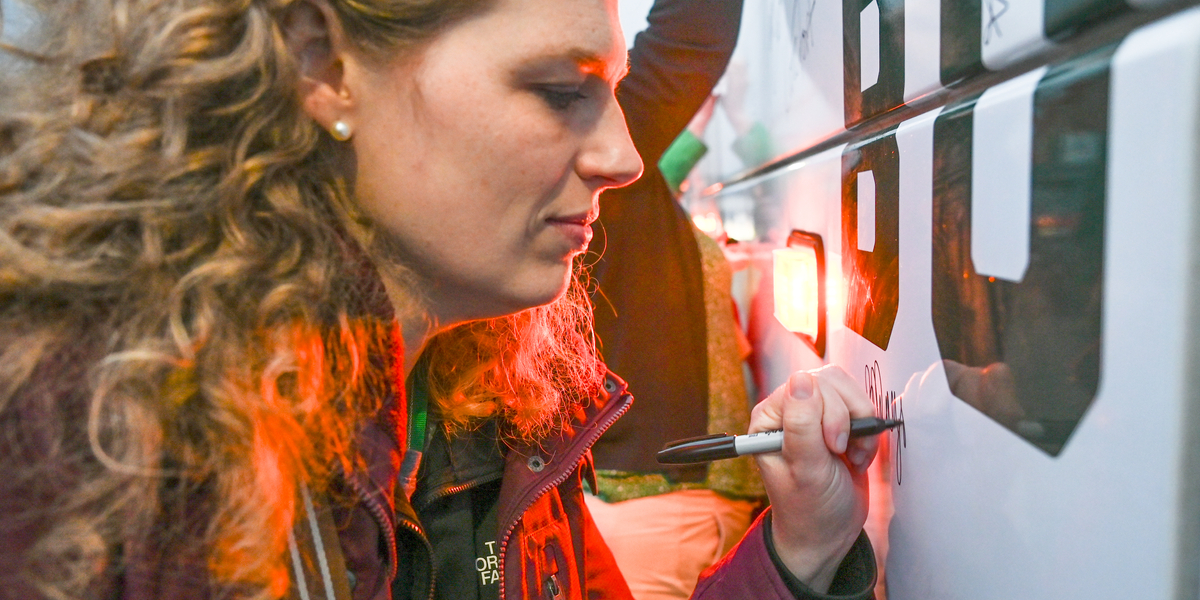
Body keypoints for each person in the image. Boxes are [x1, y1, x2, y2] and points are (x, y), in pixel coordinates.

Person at [0, 1, 880, 600]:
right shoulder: (81, 444)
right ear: (326, 67)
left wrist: (799, 547)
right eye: (562, 91)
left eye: (610, 91)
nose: (625, 158)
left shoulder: (494, 402)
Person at [583, 0, 766, 595]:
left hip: (671, 498)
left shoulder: (607, 182)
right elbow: (693, 34)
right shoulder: (578, 145)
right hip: (657, 510)